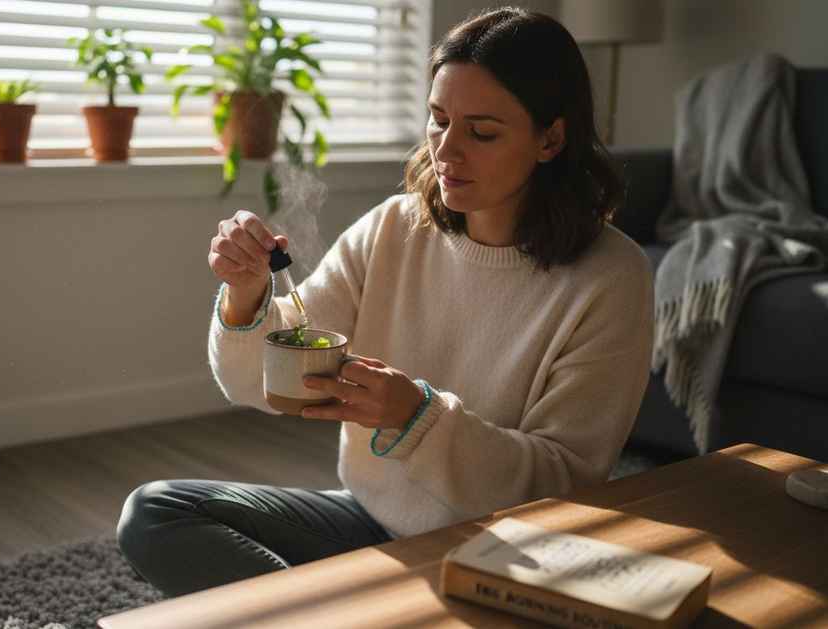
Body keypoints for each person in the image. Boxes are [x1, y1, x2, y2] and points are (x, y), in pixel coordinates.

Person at [117, 6, 654, 598]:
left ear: (551, 138)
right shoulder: (395, 229)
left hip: (500, 554)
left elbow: (563, 488)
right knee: (155, 513)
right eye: (438, 119)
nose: (446, 151)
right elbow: (257, 386)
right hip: (370, 524)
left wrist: (418, 418)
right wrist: (248, 296)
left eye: (482, 132)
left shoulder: (611, 278)